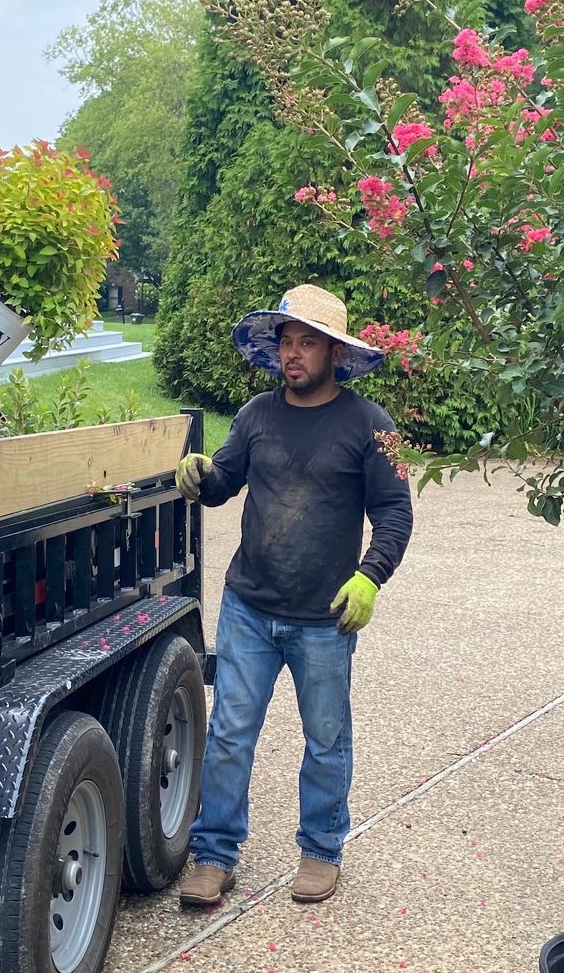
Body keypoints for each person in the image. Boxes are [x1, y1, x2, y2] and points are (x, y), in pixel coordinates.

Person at [174, 284, 414, 908]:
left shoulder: (369, 425)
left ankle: (320, 851)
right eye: (286, 341)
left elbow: (394, 512)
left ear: (335, 351)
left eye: (308, 342)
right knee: (229, 733)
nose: (293, 354)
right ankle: (213, 856)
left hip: (324, 618)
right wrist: (201, 475)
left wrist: (371, 575)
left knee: (326, 738)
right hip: (250, 606)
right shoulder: (256, 415)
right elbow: (225, 482)